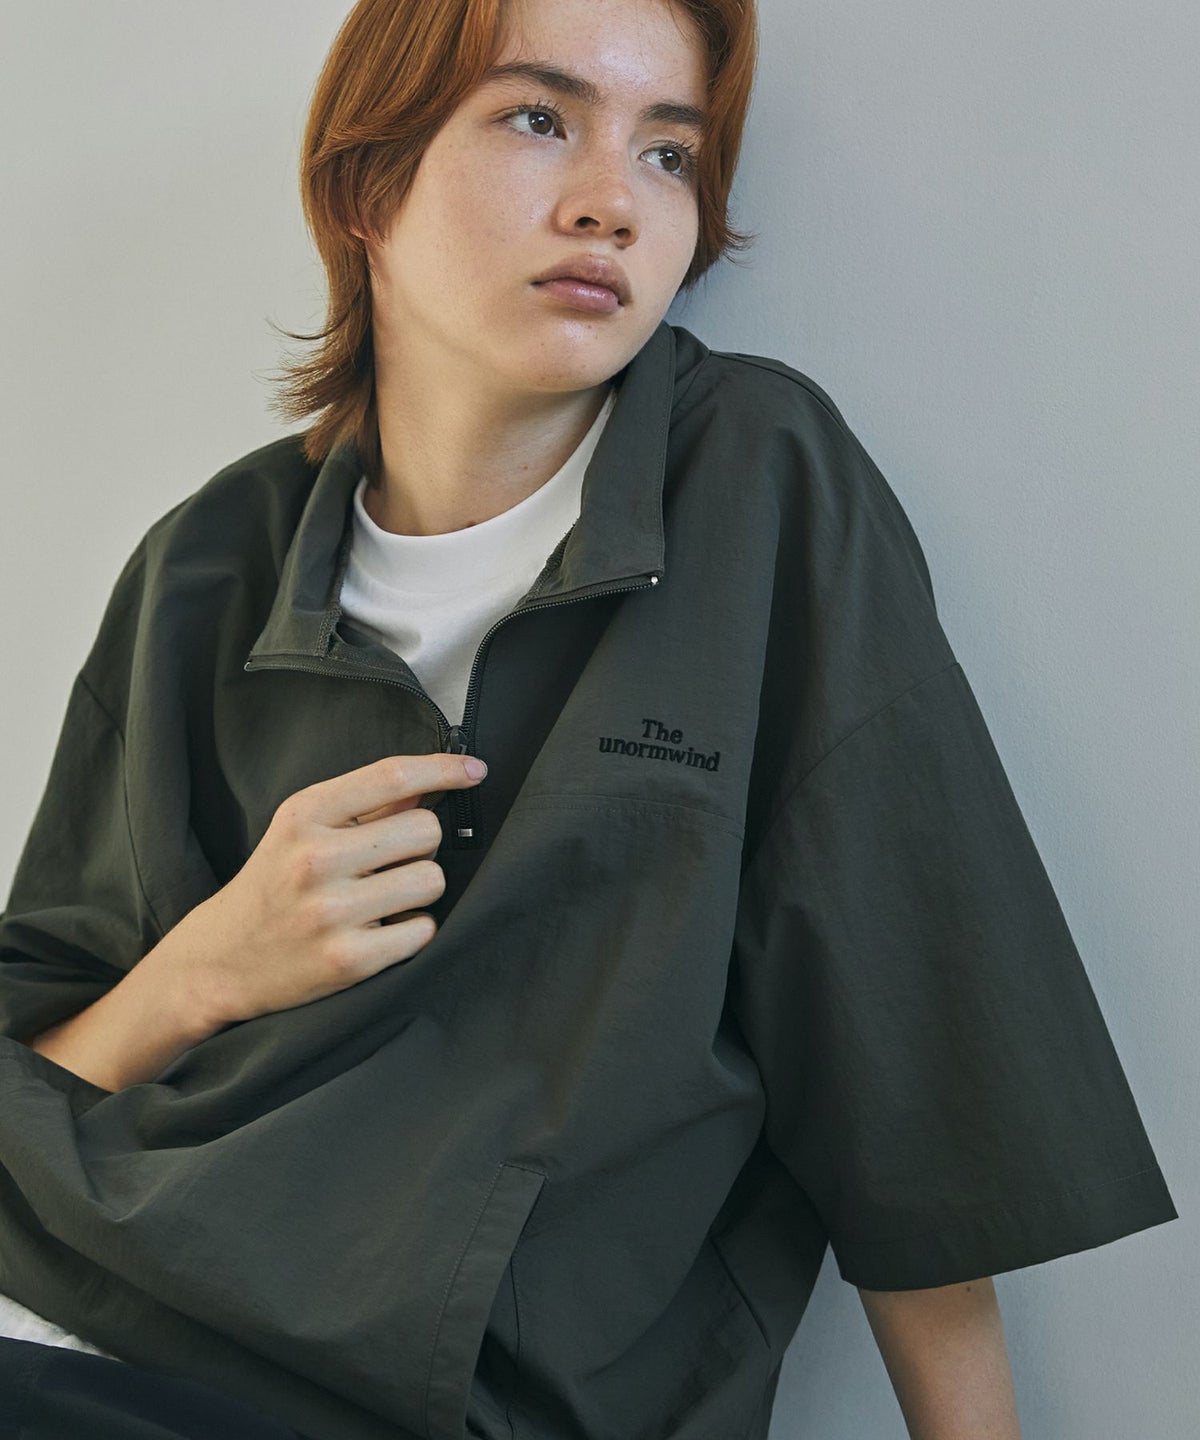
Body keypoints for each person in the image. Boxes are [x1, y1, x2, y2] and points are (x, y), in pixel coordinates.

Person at [0, 0, 1178, 1437]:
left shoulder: (759, 482)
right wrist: (206, 969)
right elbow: (36, 1065)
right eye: (538, 117)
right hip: (84, 1325)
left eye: (670, 152)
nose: (612, 202)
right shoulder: (205, 565)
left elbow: (907, 1044)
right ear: (367, 182)